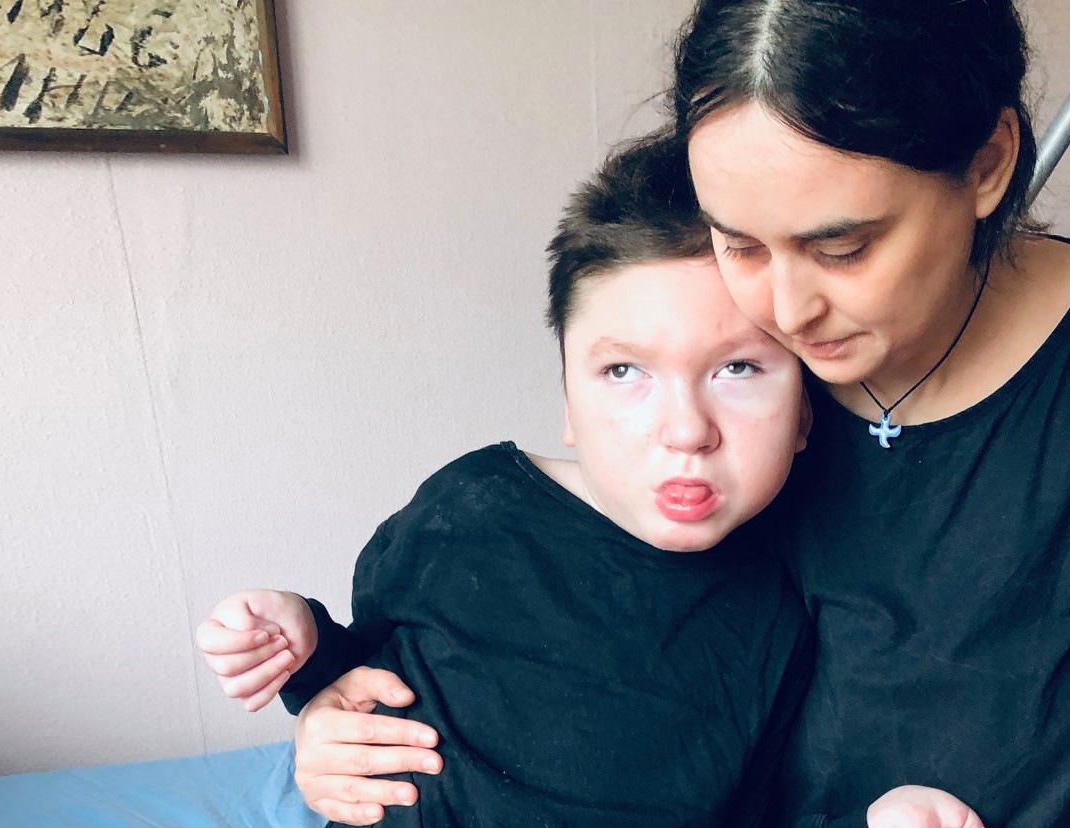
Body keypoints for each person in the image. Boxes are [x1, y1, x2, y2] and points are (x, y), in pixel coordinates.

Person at [276, 2, 1070, 827]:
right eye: (737, 241)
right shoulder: (720, 366)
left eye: (841, 247)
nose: (783, 307)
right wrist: (349, 715)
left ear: (988, 163)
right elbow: (569, 646)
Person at [197, 137, 989, 828]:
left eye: (739, 369)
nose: (686, 430)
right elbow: (374, 673)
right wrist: (302, 655)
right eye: (623, 372)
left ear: (806, 411)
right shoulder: (468, 511)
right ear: (568, 402)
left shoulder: (795, 597)